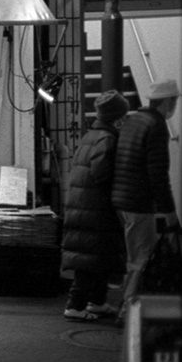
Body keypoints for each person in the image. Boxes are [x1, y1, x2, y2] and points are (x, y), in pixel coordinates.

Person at [112, 77, 181, 323]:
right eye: (174, 101)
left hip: (121, 199)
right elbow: (157, 174)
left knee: (135, 258)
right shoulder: (156, 125)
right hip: (138, 202)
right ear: (168, 102)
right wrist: (170, 212)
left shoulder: (133, 120)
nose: (175, 107)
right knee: (142, 261)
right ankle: (127, 314)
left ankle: (124, 302)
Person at [60, 90, 129, 322]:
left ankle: (97, 302)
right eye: (124, 115)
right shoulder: (108, 139)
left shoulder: (91, 135)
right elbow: (101, 174)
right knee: (89, 261)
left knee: (99, 257)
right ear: (117, 117)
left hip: (84, 205)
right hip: (95, 207)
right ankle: (75, 305)